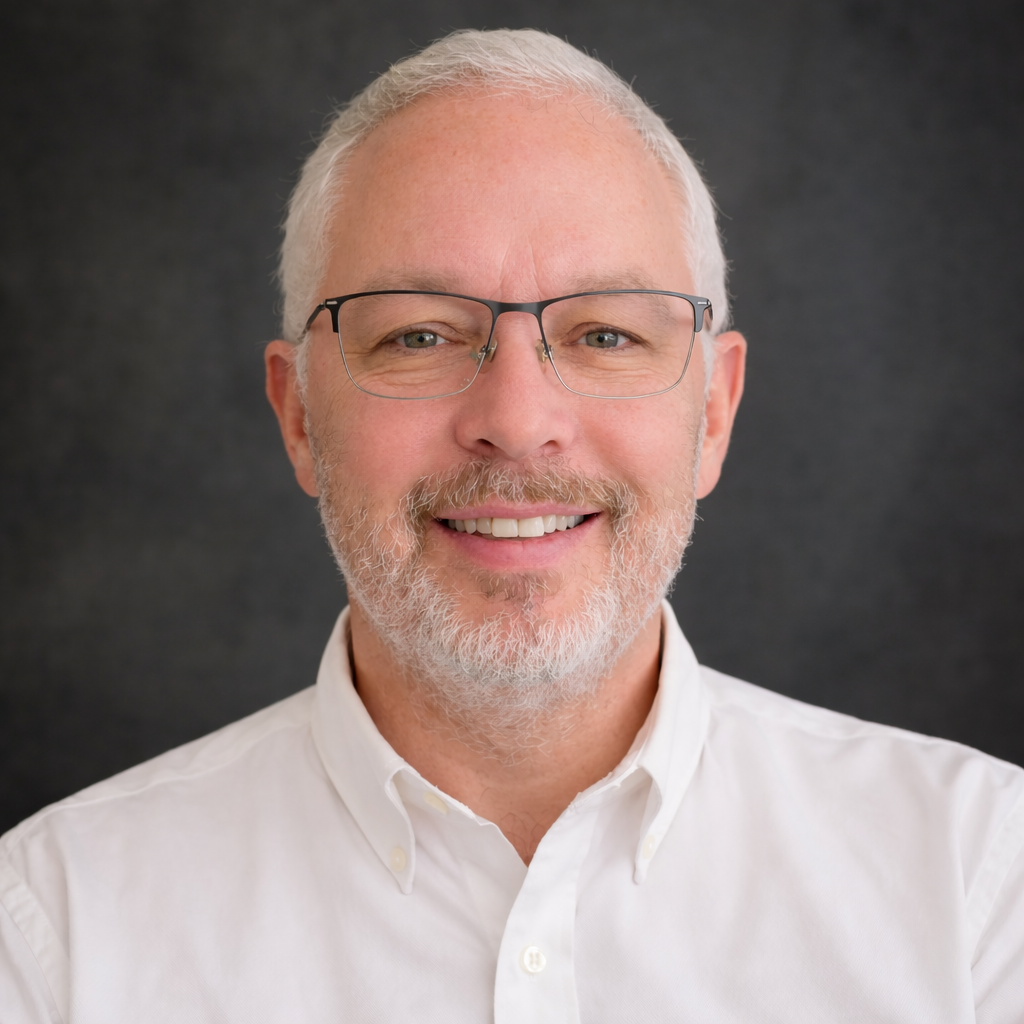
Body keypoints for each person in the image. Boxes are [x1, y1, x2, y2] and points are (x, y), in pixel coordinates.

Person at [1, 28, 1021, 1023]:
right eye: (419, 334)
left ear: (712, 411)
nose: (517, 423)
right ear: (299, 415)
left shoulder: (979, 880)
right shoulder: (56, 928)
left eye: (607, 332)